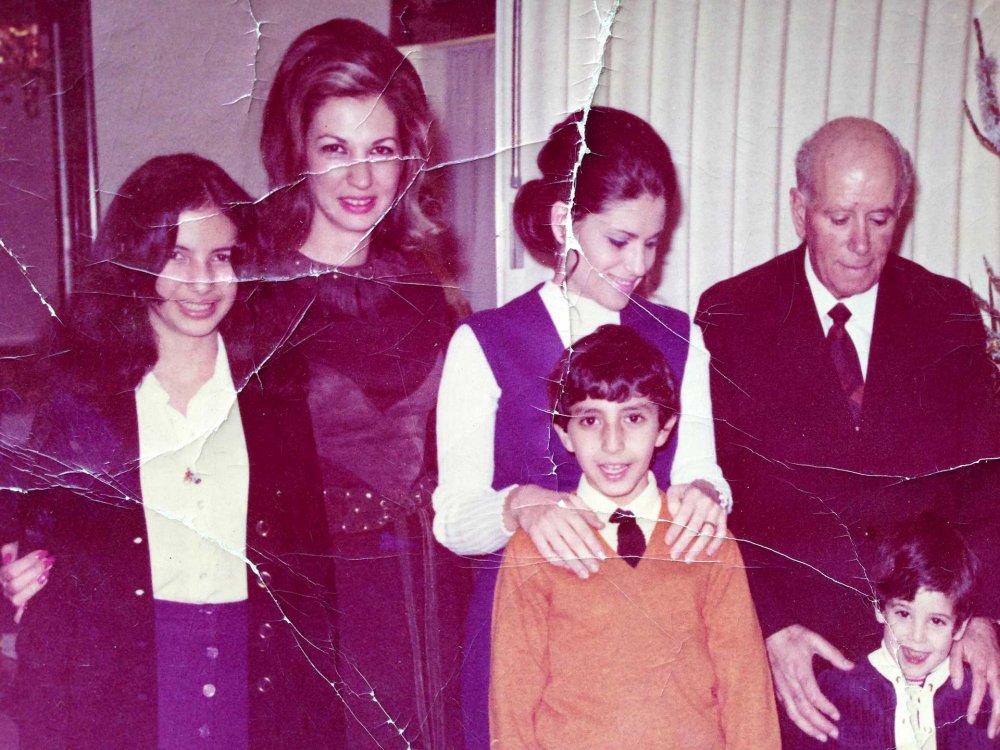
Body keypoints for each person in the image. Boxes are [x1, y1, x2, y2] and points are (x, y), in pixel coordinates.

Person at [2, 153, 342, 750]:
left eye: (222, 258)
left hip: (255, 679)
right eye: (176, 256)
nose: (202, 283)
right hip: (121, 688)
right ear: (134, 264)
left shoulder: (275, 396)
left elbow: (310, 587)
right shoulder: (79, 400)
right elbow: (30, 551)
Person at [434, 106, 732, 749]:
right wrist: (522, 505)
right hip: (524, 638)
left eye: (653, 243)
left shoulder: (683, 339)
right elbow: (453, 519)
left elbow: (702, 469)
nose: (639, 267)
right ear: (564, 221)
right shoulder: (483, 342)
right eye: (619, 242)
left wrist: (705, 498)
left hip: (648, 636)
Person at [696, 116, 1000, 744]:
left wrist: (985, 618)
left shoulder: (947, 313)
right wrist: (769, 628)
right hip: (798, 659)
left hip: (933, 653)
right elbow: (717, 495)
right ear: (799, 208)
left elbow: (987, 489)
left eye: (881, 219)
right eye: (838, 219)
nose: (861, 244)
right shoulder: (733, 315)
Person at [252, 18, 467, 749]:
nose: (362, 179)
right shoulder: (253, 295)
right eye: (334, 149)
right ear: (296, 154)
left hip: (435, 593)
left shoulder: (426, 285)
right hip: (319, 608)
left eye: (382, 151)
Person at [490, 324, 779, 750]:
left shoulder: (704, 538)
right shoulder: (534, 548)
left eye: (634, 418)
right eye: (590, 420)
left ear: (664, 428)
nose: (613, 443)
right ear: (565, 432)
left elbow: (747, 693)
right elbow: (511, 710)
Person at [793, 514, 995, 749]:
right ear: (880, 608)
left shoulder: (977, 695)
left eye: (936, 621)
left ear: (960, 627)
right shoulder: (837, 689)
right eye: (903, 614)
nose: (916, 636)